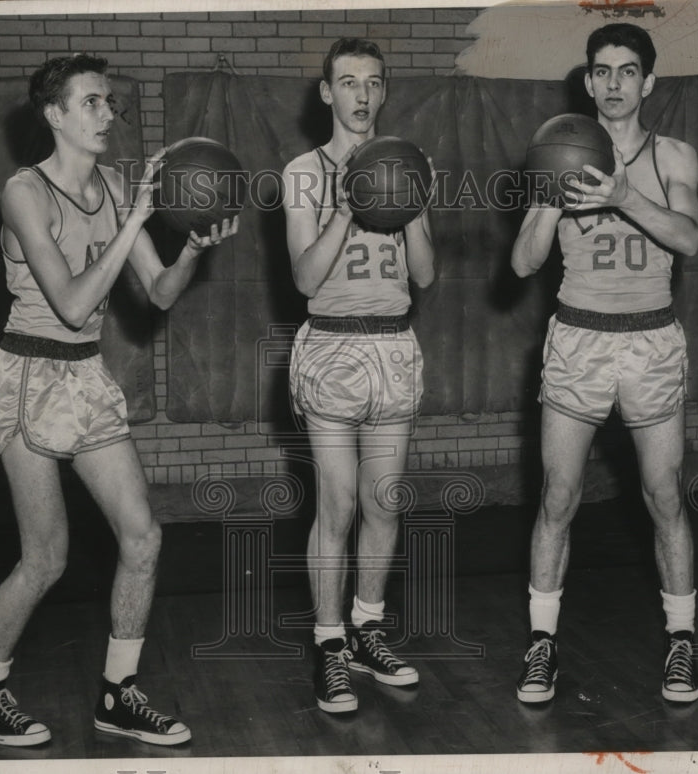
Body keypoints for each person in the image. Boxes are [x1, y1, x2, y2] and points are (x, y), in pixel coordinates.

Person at [0, 54, 238, 747]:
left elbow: (160, 292)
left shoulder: (114, 186)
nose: (107, 113)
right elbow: (77, 303)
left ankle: (119, 692)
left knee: (143, 534)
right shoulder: (26, 192)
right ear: (53, 115)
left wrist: (193, 248)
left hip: (85, 376)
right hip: (26, 375)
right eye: (90, 102)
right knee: (45, 558)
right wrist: (136, 215)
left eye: (110, 102)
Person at [510, 23, 698, 704]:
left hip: (650, 340)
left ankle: (681, 643)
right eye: (603, 71)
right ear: (588, 80)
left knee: (663, 495)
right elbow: (523, 263)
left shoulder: (673, 156)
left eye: (628, 71)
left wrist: (622, 194)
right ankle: (541, 646)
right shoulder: (558, 151)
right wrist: (546, 202)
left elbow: (689, 238)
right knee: (557, 497)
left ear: (647, 82)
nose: (615, 83)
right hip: (579, 339)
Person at [282, 38, 436, 713]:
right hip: (334, 349)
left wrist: (410, 200)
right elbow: (305, 280)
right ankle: (328, 643)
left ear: (384, 90)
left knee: (383, 502)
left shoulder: (410, 163)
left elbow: (426, 274)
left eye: (373, 83)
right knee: (338, 505)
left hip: (393, 346)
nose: (362, 95)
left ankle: (369, 627)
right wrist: (351, 201)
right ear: (327, 93)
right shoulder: (302, 173)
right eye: (348, 83)